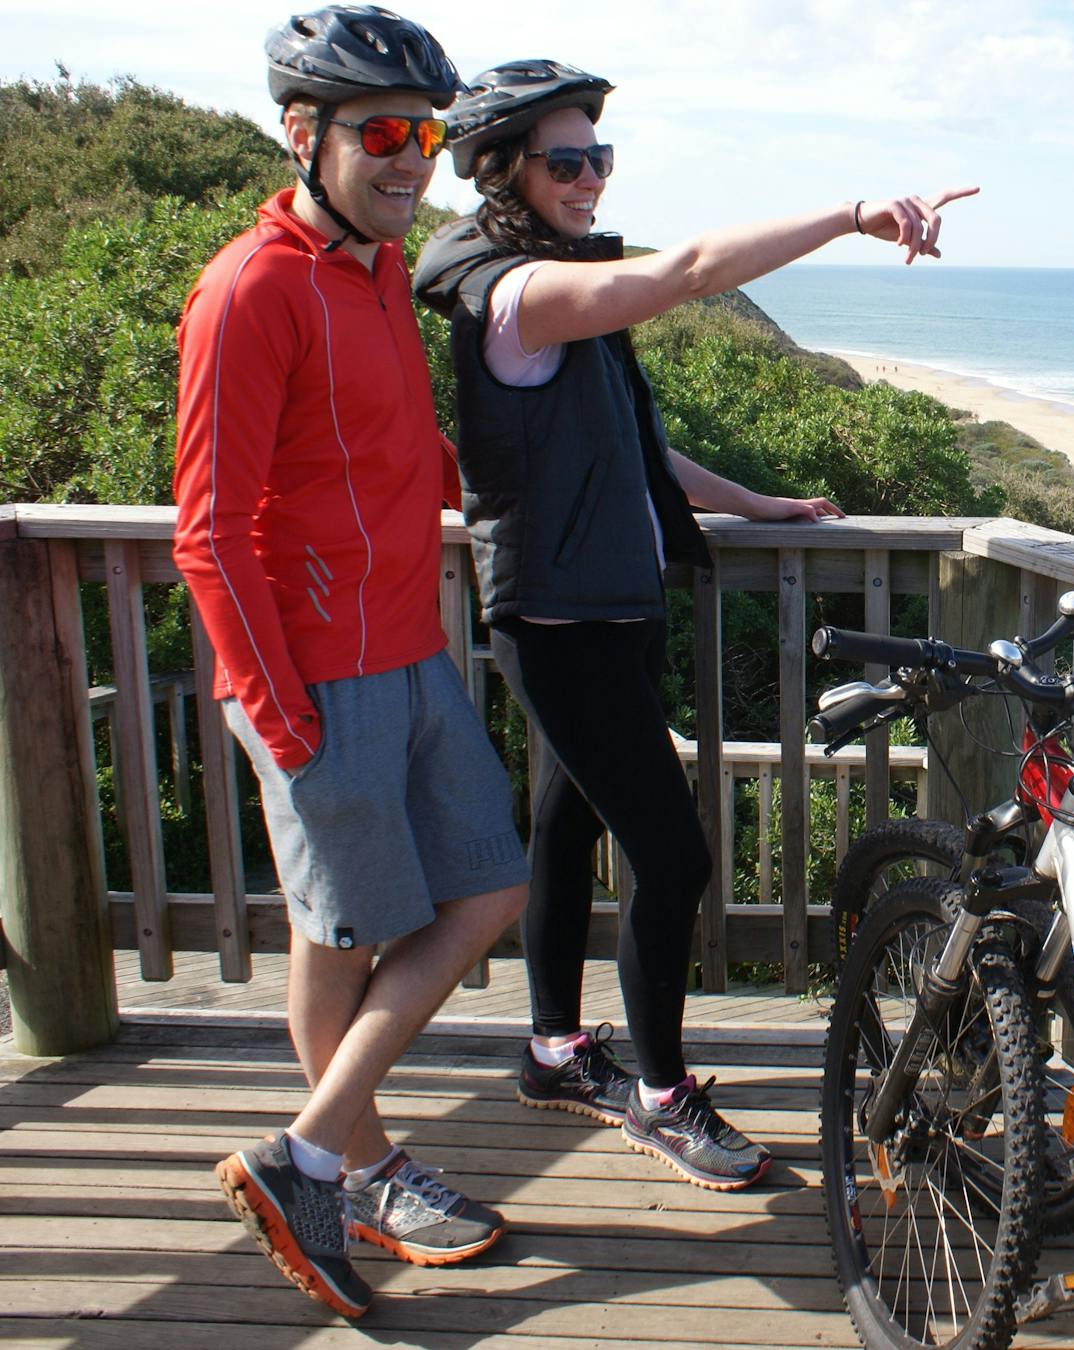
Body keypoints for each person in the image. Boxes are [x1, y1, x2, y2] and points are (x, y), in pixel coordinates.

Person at [414, 59, 974, 1192]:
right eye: (565, 160)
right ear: (504, 170)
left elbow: (627, 441)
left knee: (569, 827)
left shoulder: (555, 288)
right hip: (555, 618)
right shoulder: (516, 296)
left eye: (599, 157)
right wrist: (853, 212)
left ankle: (555, 1049)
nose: (588, 178)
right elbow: (692, 269)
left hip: (601, 607)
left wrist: (755, 504)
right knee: (674, 855)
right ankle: (662, 1095)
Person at [171, 6, 532, 1318]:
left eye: (424, 134)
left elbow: (405, 455)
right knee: (340, 935)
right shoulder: (249, 289)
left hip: (413, 649)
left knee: (488, 883)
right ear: (303, 133)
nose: (409, 160)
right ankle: (352, 1165)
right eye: (382, 133)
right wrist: (282, 713)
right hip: (318, 674)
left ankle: (310, 1153)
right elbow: (206, 529)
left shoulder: (379, 273)